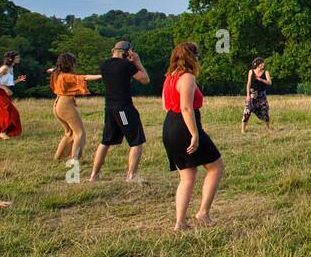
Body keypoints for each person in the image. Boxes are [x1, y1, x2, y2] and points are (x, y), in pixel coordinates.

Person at [162, 42, 223, 231]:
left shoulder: (169, 77)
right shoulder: (187, 77)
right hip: (184, 126)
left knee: (187, 177)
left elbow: (165, 104)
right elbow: (186, 107)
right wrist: (195, 134)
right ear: (192, 57)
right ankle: (203, 212)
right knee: (216, 167)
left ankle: (180, 222)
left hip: (169, 125)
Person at [88, 41, 149, 183]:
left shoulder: (104, 65)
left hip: (109, 107)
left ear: (112, 50)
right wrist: (137, 62)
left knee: (105, 141)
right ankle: (131, 176)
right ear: (127, 53)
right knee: (136, 140)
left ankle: (94, 175)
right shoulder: (127, 65)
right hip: (123, 108)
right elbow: (145, 79)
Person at [48, 53, 101, 164]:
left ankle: (58, 157)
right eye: (73, 62)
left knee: (69, 133)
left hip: (57, 104)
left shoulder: (57, 73)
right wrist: (101, 75)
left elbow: (50, 70)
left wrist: (53, 69)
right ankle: (74, 159)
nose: (75, 64)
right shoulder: (66, 76)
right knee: (79, 133)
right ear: (69, 64)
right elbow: (84, 77)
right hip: (65, 104)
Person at [0, 51, 26, 139]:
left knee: (12, 112)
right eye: (17, 58)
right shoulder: (4, 68)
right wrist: (5, 89)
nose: (18, 59)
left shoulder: (10, 68)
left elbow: (7, 83)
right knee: (6, 112)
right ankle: (3, 132)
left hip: (3, 91)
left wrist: (18, 80)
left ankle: (5, 133)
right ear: (11, 59)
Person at [242, 58, 273, 134]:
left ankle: (268, 128)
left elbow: (269, 83)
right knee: (247, 111)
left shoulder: (266, 72)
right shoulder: (251, 72)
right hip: (252, 95)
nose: (263, 64)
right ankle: (243, 129)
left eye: (263, 63)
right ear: (258, 65)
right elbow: (248, 84)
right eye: (262, 63)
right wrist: (248, 95)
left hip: (262, 95)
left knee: (265, 111)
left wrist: (261, 80)